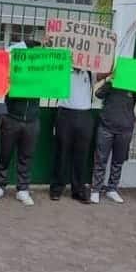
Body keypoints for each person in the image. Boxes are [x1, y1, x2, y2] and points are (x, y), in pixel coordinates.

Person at [0, 40, 42, 206]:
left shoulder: (42, 71)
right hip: (11, 116)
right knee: (4, 153)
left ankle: (23, 189)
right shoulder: (11, 68)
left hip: (32, 119)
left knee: (26, 155)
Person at [90, 73, 136, 204]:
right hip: (106, 127)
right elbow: (98, 94)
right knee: (100, 160)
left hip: (125, 129)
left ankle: (112, 189)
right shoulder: (112, 84)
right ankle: (95, 190)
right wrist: (110, 81)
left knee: (118, 161)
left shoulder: (134, 85)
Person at [49, 66, 94, 203]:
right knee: (61, 152)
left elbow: (107, 70)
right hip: (65, 114)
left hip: (85, 114)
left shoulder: (90, 72)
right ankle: (56, 188)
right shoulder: (63, 69)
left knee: (82, 154)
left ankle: (78, 190)